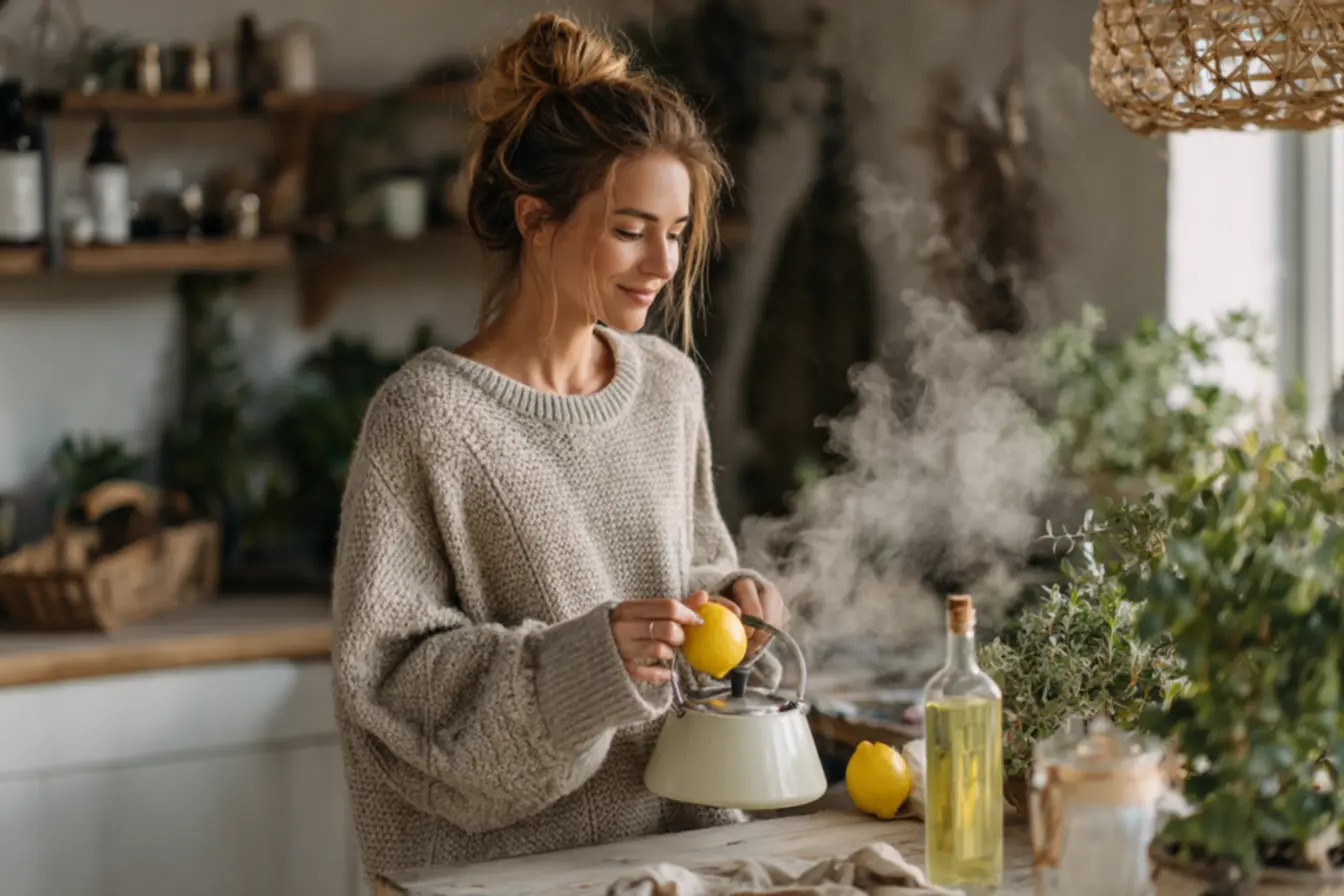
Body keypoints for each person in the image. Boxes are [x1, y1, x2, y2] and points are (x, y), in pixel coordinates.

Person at [329, 10, 790, 882]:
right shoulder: (426, 418)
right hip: (514, 874)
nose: (663, 261)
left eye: (679, 231)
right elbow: (387, 689)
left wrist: (727, 599)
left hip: (679, 860)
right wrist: (586, 663)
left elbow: (678, 572)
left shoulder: (667, 386)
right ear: (537, 220)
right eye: (629, 228)